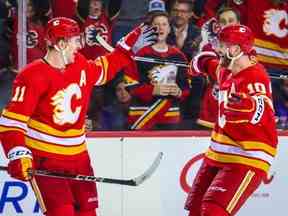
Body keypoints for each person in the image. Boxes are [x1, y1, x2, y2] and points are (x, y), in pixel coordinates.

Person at [0, 17, 156, 216]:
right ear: (61, 44)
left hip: (79, 158)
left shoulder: (80, 64)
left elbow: (105, 69)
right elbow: (11, 123)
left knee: (88, 213)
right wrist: (17, 153)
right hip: (46, 160)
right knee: (63, 212)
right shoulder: (32, 75)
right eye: (75, 41)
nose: (79, 45)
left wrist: (128, 48)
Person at [185, 24, 278, 216]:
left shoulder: (255, 77)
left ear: (235, 50)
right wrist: (197, 64)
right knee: (195, 209)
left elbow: (260, 107)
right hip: (218, 153)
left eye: (220, 44)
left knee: (212, 211)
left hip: (247, 155)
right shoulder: (227, 69)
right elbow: (209, 64)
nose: (216, 48)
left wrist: (246, 106)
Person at [124, 11, 190, 130]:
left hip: (170, 117)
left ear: (169, 28)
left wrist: (179, 92)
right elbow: (130, 85)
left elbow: (186, 87)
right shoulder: (139, 54)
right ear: (150, 29)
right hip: (141, 117)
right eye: (156, 24)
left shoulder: (179, 56)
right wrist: (153, 90)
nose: (160, 28)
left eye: (164, 24)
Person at [196, 7, 241, 129]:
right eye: (223, 21)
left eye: (231, 20)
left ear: (238, 24)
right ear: (218, 25)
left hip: (239, 111)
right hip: (213, 112)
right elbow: (217, 73)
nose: (227, 25)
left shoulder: (248, 49)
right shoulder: (209, 48)